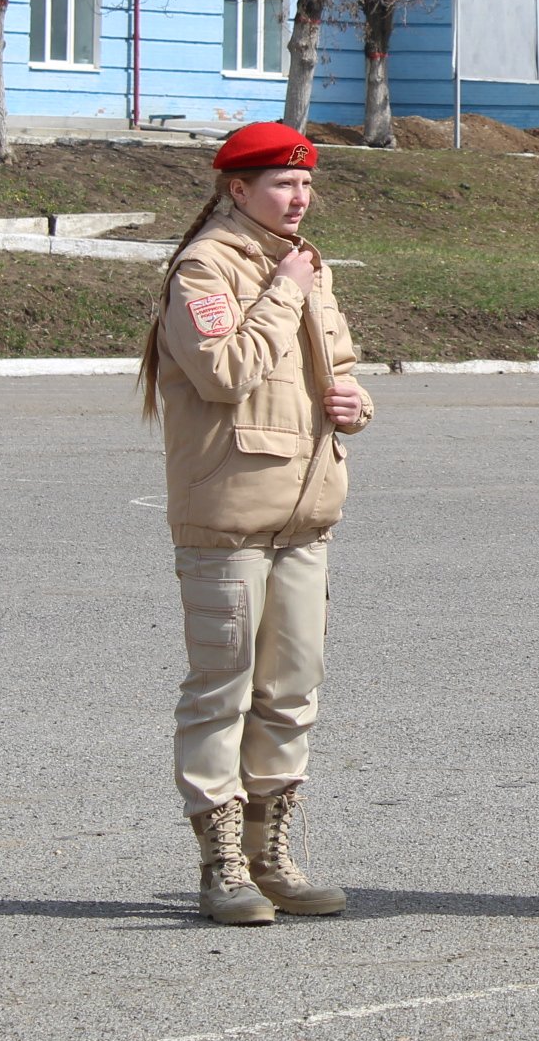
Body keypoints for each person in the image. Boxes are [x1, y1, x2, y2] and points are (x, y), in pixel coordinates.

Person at [136, 122, 375, 926]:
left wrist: (357, 403)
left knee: (291, 691)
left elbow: (338, 371)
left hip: (306, 513)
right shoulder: (205, 269)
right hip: (228, 516)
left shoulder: (305, 266)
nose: (299, 198)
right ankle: (221, 864)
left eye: (305, 185)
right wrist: (285, 293)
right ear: (236, 190)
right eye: (281, 184)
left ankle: (272, 855)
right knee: (221, 691)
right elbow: (226, 372)